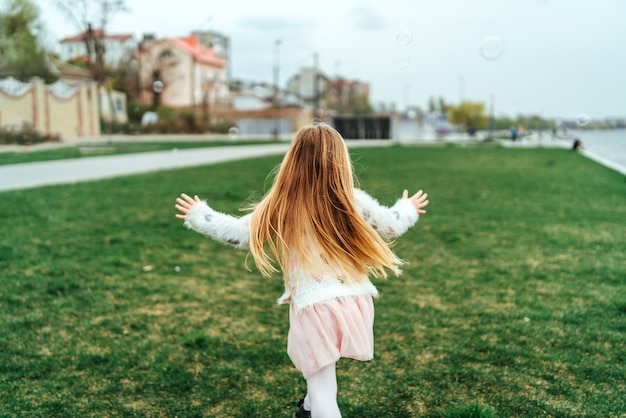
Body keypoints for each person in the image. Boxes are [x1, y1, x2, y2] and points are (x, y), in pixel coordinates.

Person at [174, 122, 429, 418]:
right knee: (320, 374)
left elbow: (242, 234)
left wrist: (199, 215)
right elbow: (391, 224)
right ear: (340, 161)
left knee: (323, 389)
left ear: (293, 159)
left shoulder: (283, 203)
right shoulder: (352, 200)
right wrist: (408, 207)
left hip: (315, 307)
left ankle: (314, 407)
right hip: (355, 302)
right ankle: (307, 410)